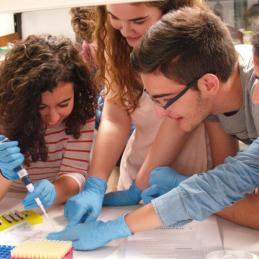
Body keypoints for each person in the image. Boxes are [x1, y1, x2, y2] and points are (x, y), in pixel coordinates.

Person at [48, 6, 259, 250]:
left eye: (165, 99)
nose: (160, 113)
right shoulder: (216, 96)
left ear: (208, 84)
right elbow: (226, 182)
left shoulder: (237, 92)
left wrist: (116, 227)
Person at [0, 34, 96, 209]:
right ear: (20, 100)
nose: (53, 118)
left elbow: (75, 172)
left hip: (54, 202)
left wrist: (54, 192)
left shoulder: (81, 113)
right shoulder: (3, 114)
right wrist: (3, 174)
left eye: (63, 104)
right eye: (40, 106)